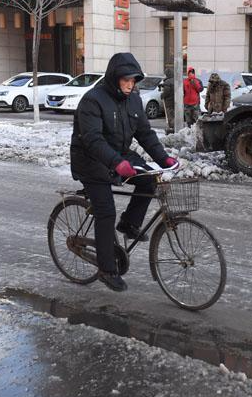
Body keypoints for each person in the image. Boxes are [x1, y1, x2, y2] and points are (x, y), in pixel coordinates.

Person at [71, 52, 178, 293]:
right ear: (114, 78)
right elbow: (93, 140)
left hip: (118, 153)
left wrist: (164, 158)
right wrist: (116, 163)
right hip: (89, 160)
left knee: (149, 179)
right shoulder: (93, 100)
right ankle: (107, 269)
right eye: (126, 80)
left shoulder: (133, 100)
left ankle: (129, 224)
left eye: (134, 80)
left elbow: (145, 134)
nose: (130, 85)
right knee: (105, 210)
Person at [160, 67, 175, 134]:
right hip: (175, 102)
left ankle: (171, 129)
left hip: (169, 102)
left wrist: (162, 95)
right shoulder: (175, 80)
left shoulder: (167, 81)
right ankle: (174, 127)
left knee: (170, 116)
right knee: (174, 116)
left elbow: (167, 91)